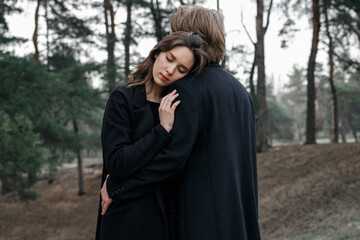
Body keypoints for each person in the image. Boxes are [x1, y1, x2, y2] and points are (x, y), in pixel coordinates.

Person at [102, 5, 261, 240]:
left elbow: (170, 159)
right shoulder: (241, 91)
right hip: (239, 220)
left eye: (177, 33)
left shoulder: (188, 89)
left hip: (203, 221)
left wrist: (117, 187)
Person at [95, 31, 209, 240]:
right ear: (158, 52)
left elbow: (174, 165)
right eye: (170, 59)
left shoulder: (180, 109)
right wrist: (162, 131)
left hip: (164, 220)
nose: (170, 70)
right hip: (124, 219)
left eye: (181, 69)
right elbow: (117, 162)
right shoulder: (123, 99)